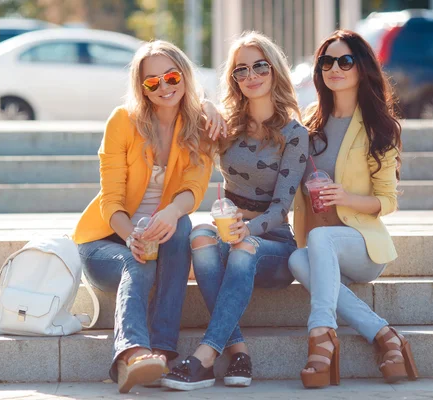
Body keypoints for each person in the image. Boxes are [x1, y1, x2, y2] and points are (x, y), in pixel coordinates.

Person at [161, 31, 308, 391]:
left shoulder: (294, 133)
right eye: (241, 70)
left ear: (274, 70)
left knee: (243, 247)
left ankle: (205, 357)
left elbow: (281, 207)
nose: (251, 76)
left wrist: (250, 229)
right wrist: (208, 105)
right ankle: (239, 352)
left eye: (260, 66)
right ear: (234, 80)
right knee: (198, 235)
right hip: (229, 232)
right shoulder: (225, 127)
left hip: (271, 241)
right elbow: (178, 103)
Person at [71, 40, 220, 394]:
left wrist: (170, 210)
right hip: (105, 240)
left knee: (183, 223)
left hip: (160, 233)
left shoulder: (198, 126)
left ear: (184, 75)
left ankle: (163, 351)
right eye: (152, 82)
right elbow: (110, 200)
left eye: (171, 77)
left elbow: (194, 186)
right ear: (141, 87)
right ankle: (133, 353)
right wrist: (131, 237)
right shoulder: (122, 121)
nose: (164, 87)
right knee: (137, 263)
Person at [288, 30, 419, 389]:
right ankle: (385, 336)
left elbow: (387, 201)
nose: (335, 68)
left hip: (361, 245)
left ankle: (321, 336)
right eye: (326, 62)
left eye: (345, 61)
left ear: (362, 68)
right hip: (319, 241)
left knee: (321, 240)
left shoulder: (380, 126)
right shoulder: (310, 123)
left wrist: (345, 197)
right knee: (296, 261)